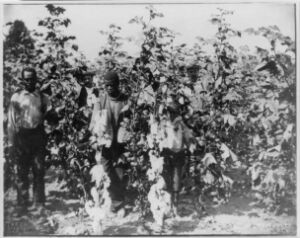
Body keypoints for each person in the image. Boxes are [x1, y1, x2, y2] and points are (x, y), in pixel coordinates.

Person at [7, 67, 55, 214]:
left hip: (38, 136)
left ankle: (39, 203)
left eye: (32, 78)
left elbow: (52, 117)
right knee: (22, 171)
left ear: (36, 79)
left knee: (39, 171)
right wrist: (11, 142)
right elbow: (11, 121)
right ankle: (22, 204)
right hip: (22, 137)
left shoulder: (42, 97)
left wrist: (48, 130)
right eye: (26, 79)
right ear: (22, 80)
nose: (29, 81)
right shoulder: (17, 97)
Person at [89, 71, 130, 212]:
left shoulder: (125, 100)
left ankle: (118, 203)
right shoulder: (100, 101)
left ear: (118, 84)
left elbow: (132, 121)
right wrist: (94, 139)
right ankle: (111, 199)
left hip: (121, 143)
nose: (109, 88)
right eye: (107, 85)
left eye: (112, 85)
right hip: (105, 142)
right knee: (106, 171)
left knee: (120, 171)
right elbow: (94, 123)